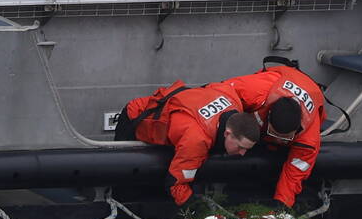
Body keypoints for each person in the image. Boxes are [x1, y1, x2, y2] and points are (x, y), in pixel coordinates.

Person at [119, 81, 263, 207]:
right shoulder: (196, 139)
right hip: (137, 117)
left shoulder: (233, 100)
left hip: (182, 122)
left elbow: (214, 87)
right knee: (125, 188)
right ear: (227, 133)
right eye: (240, 147)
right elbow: (175, 184)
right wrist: (198, 213)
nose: (242, 154)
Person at [216, 64, 326, 209]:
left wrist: (281, 205)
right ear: (268, 116)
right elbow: (221, 92)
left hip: (309, 89)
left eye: (284, 138)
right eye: (274, 134)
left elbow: (295, 173)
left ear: (297, 129)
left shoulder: (309, 139)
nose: (279, 140)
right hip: (276, 80)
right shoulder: (255, 91)